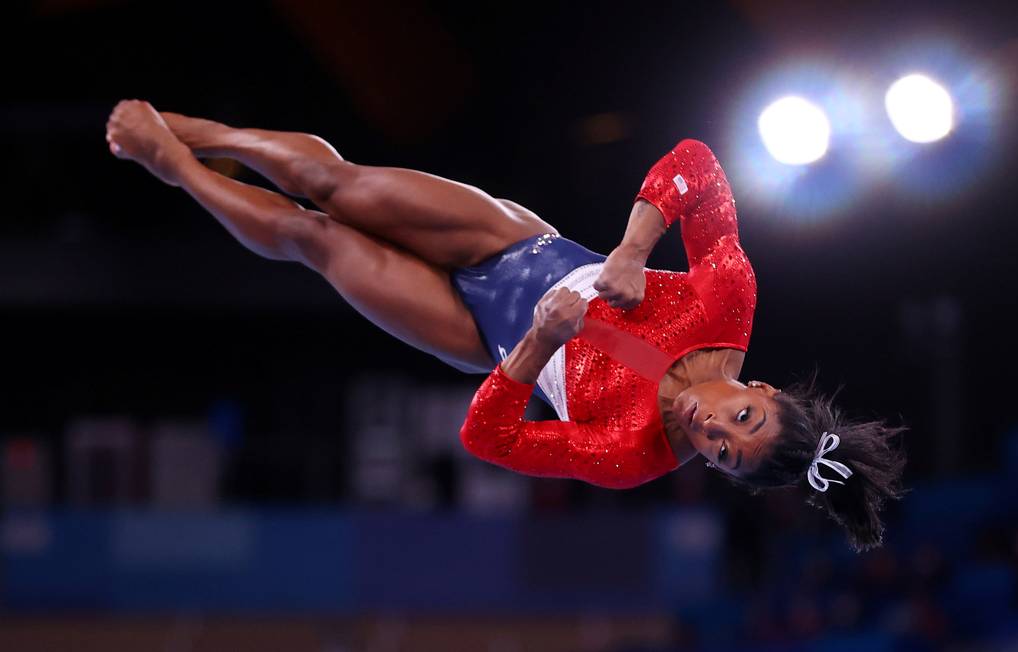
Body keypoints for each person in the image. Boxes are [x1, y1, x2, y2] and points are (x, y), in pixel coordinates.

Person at [106, 100, 905, 550]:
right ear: (759, 387)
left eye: (724, 454)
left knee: (315, 238)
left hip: (475, 331)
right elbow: (696, 162)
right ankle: (200, 135)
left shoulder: (633, 455)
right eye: (742, 417)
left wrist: (537, 344)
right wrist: (632, 249)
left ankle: (171, 167)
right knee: (333, 183)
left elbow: (488, 440)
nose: (711, 428)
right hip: (519, 246)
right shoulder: (725, 300)